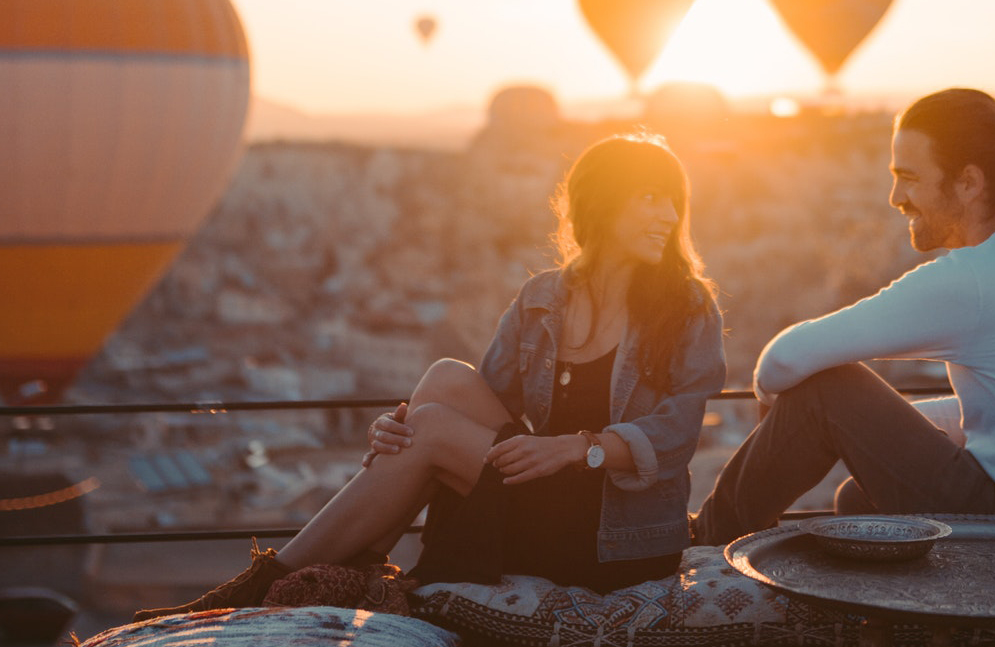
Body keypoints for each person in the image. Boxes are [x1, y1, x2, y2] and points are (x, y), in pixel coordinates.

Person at [135, 133, 726, 621]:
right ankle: (335, 573)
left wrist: (576, 449)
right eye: (651, 197)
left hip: (615, 535)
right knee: (442, 381)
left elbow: (676, 435)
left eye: (674, 200)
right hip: (538, 497)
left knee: (436, 429)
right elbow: (479, 398)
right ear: (602, 202)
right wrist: (397, 432)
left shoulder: (686, 307)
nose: (669, 216)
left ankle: (262, 589)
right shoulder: (544, 298)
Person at [692, 88, 995, 547]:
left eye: (908, 177)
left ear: (969, 182)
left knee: (827, 389)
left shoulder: (975, 279)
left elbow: (785, 359)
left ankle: (705, 539)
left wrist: (779, 405)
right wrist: (873, 427)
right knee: (859, 502)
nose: (895, 198)